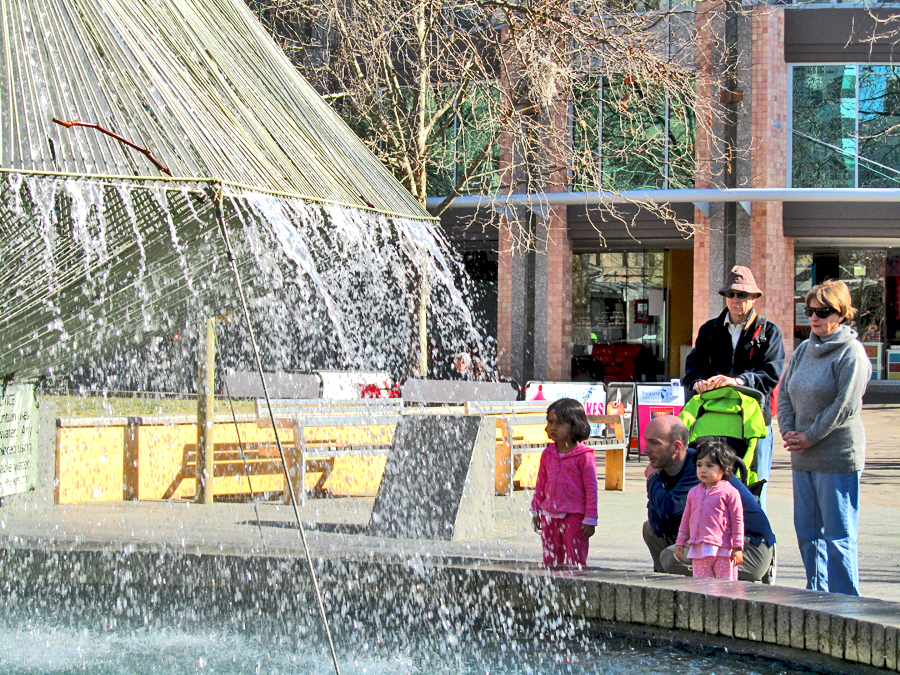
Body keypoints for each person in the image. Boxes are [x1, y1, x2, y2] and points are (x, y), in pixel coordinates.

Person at [778, 279, 871, 596]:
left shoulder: (852, 354)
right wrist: (789, 431)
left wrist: (809, 436)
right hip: (802, 457)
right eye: (809, 311)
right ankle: (815, 596)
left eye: (823, 311)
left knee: (837, 535)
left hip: (835, 457)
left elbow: (843, 407)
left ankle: (846, 604)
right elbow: (786, 394)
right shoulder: (804, 350)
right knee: (807, 532)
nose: (814, 318)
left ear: (842, 314)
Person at [682, 265, 785, 511]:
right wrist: (697, 381)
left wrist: (737, 381)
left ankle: (756, 543)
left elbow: (772, 373)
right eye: (731, 294)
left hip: (754, 423)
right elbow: (693, 366)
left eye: (742, 294)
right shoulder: (709, 329)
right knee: (708, 487)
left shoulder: (769, 331)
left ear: (754, 298)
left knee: (754, 489)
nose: (736, 300)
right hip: (713, 421)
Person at [642, 415, 776, 581]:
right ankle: (673, 592)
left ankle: (711, 593)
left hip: (748, 546)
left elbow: (668, 509)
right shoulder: (663, 468)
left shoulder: (700, 469)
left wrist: (653, 480)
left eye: (654, 443)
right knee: (650, 529)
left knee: (670, 557)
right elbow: (658, 520)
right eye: (646, 441)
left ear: (677, 446)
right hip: (709, 537)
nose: (645, 449)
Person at [531, 398, 598, 566]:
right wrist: (536, 508)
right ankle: (550, 589)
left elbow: (591, 489)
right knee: (550, 560)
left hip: (574, 517)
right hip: (549, 515)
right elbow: (541, 483)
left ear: (575, 425)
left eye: (559, 423)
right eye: (550, 422)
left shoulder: (584, 456)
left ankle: (576, 588)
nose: (552, 427)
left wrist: (590, 518)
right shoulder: (548, 453)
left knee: (575, 560)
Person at [674, 438, 744, 580]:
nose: (703, 470)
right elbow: (686, 519)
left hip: (723, 549)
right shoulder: (693, 492)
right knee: (701, 587)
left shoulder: (730, 493)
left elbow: (738, 521)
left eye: (710, 465)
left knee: (726, 588)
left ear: (725, 468)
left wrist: (737, 547)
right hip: (699, 548)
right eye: (699, 465)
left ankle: (726, 603)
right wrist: (680, 542)